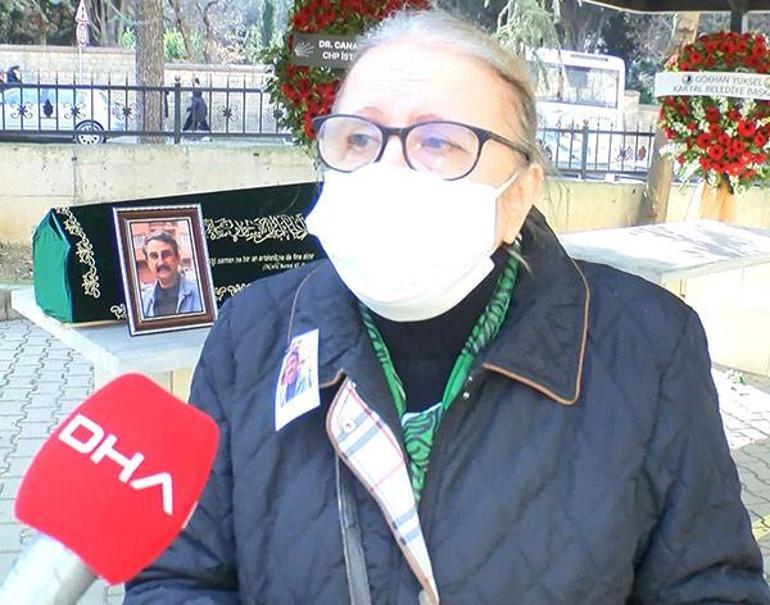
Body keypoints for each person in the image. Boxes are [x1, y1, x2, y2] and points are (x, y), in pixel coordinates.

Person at [125, 10, 770, 604]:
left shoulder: (648, 350)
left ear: (518, 195)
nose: (385, 171)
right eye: (358, 138)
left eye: (439, 142)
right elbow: (179, 576)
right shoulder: (251, 335)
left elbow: (710, 586)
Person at [139, 230, 202, 319]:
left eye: (166, 254)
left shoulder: (201, 294)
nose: (161, 262)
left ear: (177, 257)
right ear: (148, 262)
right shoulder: (142, 302)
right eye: (154, 256)